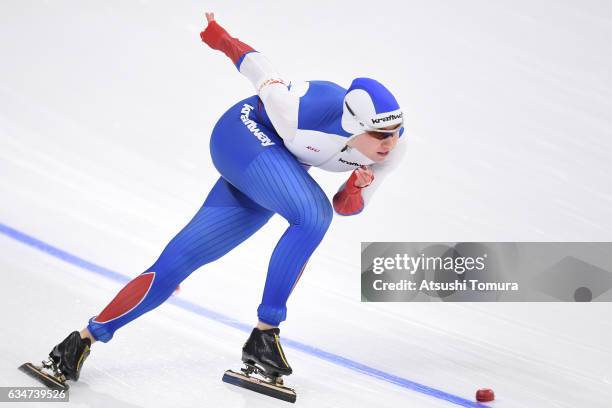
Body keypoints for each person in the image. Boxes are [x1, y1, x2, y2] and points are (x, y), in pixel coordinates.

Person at [38, 12, 406, 386]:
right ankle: (266, 334)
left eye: (396, 132)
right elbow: (260, 68)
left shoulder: (392, 150)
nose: (390, 143)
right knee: (312, 215)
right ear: (355, 124)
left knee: (178, 261)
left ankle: (79, 342)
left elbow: (345, 207)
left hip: (278, 170)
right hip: (242, 136)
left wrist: (356, 188)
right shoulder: (300, 110)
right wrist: (220, 37)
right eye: (381, 135)